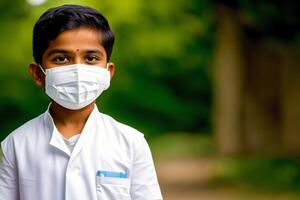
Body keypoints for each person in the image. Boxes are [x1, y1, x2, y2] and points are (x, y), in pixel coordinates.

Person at [0, 4, 163, 200]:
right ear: (38, 74)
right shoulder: (14, 146)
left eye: (91, 58)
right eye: (61, 59)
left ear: (107, 72)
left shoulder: (131, 143)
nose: (77, 69)